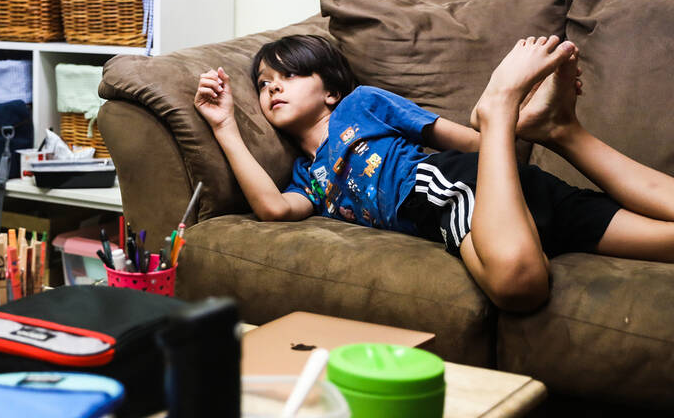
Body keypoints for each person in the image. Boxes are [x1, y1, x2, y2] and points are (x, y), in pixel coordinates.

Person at [193, 33, 674, 312]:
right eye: (263, 84)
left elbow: (474, 146)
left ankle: (501, 105)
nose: (272, 88)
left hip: (450, 189)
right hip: (502, 213)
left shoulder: (364, 104)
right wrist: (224, 125)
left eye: (289, 76)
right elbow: (274, 209)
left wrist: (497, 129)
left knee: (518, 286)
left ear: (332, 91)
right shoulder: (307, 176)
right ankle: (560, 128)